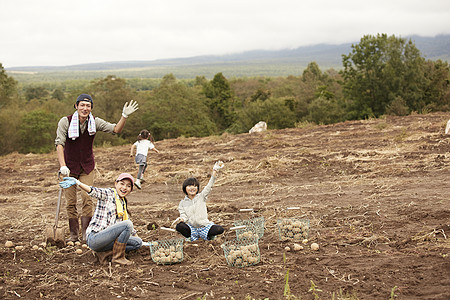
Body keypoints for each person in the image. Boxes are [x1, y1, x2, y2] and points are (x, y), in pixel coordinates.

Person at [55, 94, 139, 243]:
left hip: (86, 166)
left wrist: (124, 116)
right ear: (76, 106)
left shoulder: (95, 122)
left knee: (87, 198)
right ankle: (74, 235)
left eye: (88, 106)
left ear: (91, 108)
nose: (84, 108)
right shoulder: (65, 122)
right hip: (69, 167)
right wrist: (63, 166)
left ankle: (86, 234)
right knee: (71, 202)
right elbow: (59, 144)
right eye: (82, 105)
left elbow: (116, 129)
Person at [59, 173, 142, 265]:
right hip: (96, 238)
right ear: (116, 184)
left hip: (108, 240)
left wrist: (142, 242)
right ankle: (118, 257)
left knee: (137, 243)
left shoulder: (122, 203)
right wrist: (78, 183)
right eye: (122, 184)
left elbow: (131, 230)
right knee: (127, 225)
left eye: (128, 186)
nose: (124, 188)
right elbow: (93, 191)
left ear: (130, 190)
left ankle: (105, 253)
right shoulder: (109, 193)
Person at [173, 161, 225, 241]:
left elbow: (209, 186)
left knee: (219, 229)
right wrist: (181, 219)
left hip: (204, 227)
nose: (192, 188)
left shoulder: (201, 197)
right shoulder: (182, 203)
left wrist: (214, 171)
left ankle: (209, 236)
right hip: (192, 229)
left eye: (195, 186)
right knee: (179, 226)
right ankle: (190, 237)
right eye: (189, 186)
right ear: (185, 188)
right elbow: (184, 216)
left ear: (197, 188)